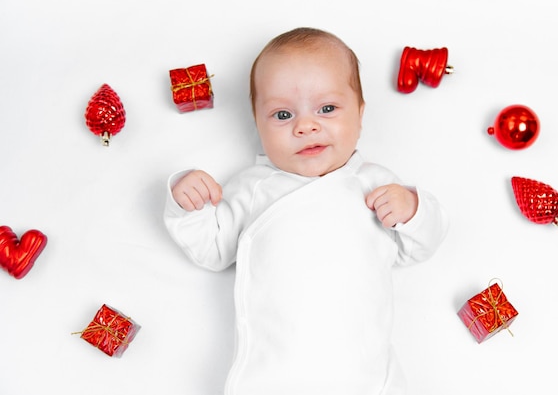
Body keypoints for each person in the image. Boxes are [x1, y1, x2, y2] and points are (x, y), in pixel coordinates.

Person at [164, 27, 448, 395]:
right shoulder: (252, 187)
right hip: (274, 374)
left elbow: (420, 245)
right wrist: (187, 203)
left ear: (360, 115)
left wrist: (413, 209)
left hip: (366, 375)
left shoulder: (374, 183)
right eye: (282, 115)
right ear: (257, 124)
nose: (305, 126)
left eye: (327, 109)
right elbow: (213, 250)